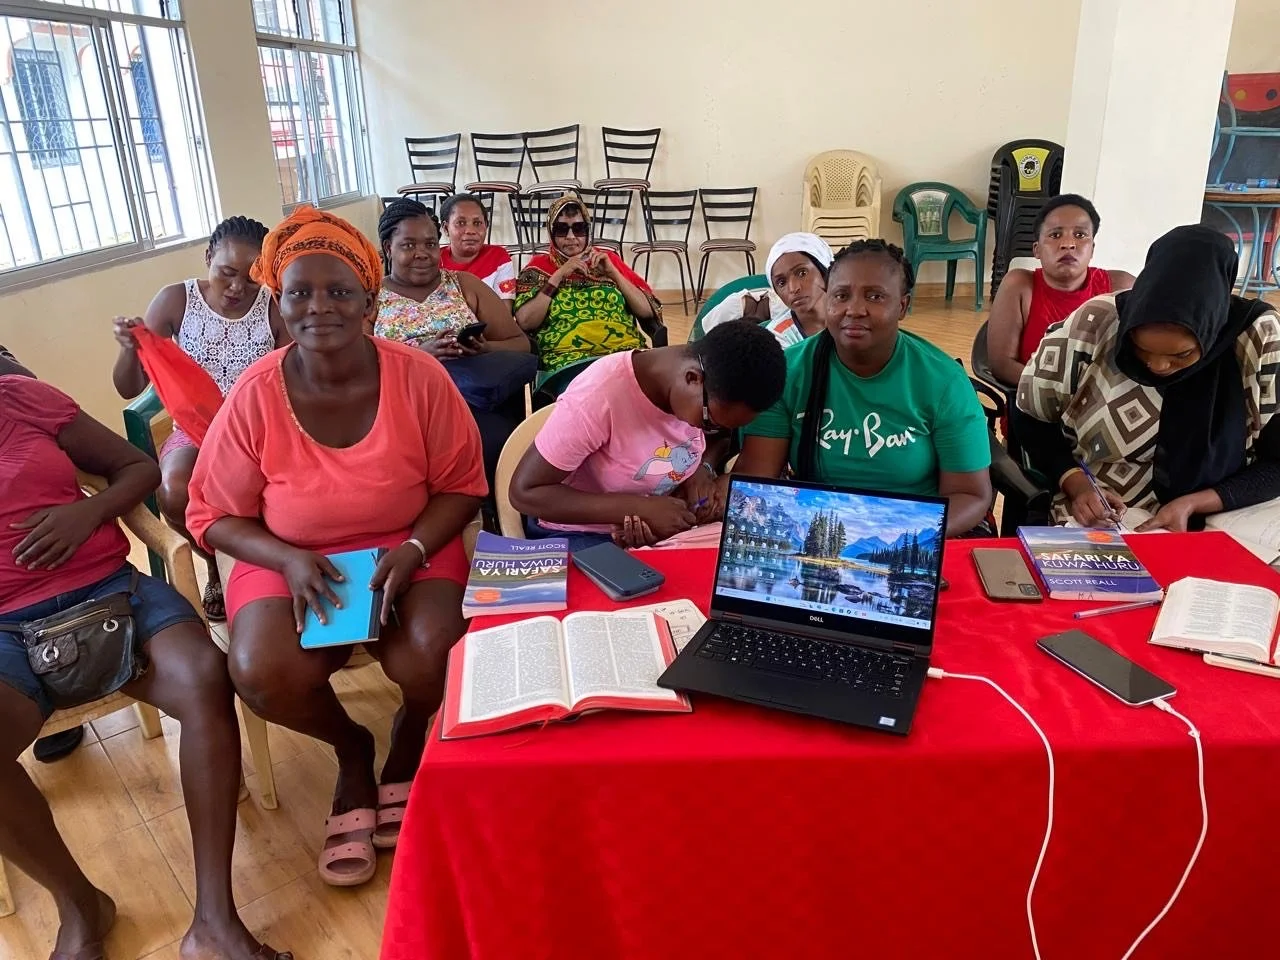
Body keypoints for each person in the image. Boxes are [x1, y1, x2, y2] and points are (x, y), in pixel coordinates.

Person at [186, 206, 487, 889]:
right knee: (262, 671)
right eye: (300, 292)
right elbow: (212, 514)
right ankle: (351, 749)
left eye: (338, 291)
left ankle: (409, 736)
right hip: (291, 556)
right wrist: (288, 559)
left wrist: (413, 549)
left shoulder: (419, 379)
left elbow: (463, 486)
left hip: (408, 545)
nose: (318, 307)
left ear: (368, 302)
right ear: (279, 302)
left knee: (437, 653)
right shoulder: (255, 395)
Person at [0, 376, 291, 960]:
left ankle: (214, 918)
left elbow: (137, 467)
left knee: (205, 676)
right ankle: (80, 905)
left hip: (110, 588)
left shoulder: (18, 397)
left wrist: (88, 516)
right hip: (3, 626)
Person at [1014, 224, 1280, 531]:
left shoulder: (1259, 338)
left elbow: (1276, 463)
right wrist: (1074, 482)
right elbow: (1029, 417)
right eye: (1140, 349)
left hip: (1223, 511)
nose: (1158, 366)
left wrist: (1194, 502)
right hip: (1105, 508)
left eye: (1181, 355)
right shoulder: (1096, 323)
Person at [734, 239, 993, 537]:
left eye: (875, 296)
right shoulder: (788, 372)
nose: (854, 309)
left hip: (918, 534)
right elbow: (757, 480)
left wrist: (901, 540)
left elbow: (970, 495)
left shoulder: (943, 381)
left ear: (903, 306)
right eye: (841, 295)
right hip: (812, 531)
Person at [111, 216, 287, 623]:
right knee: (174, 490)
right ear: (208, 258)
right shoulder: (177, 301)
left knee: (280, 490)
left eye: (252, 277)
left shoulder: (273, 308)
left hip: (257, 430)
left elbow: (290, 375)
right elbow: (128, 386)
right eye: (226, 272)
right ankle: (215, 566)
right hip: (193, 433)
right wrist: (128, 347)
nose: (237, 287)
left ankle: (261, 565)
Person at [510, 320, 787, 552]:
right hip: (577, 534)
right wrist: (639, 508)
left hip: (656, 528)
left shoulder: (704, 396)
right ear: (692, 378)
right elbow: (526, 492)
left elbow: (719, 437)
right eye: (708, 422)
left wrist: (700, 470)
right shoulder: (600, 397)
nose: (707, 431)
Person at [374, 198, 532, 490]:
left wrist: (485, 349)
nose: (422, 254)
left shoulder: (463, 285)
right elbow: (361, 365)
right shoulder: (373, 298)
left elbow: (520, 343)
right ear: (388, 249)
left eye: (430, 244)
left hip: (471, 397)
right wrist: (418, 357)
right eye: (408, 245)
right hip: (403, 403)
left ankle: (492, 518)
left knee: (494, 442)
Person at [986, 194, 1135, 386]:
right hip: (1034, 404)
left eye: (1080, 235)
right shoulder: (1020, 286)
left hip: (1103, 410)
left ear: (1092, 249)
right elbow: (1002, 365)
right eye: (1055, 235)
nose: (1068, 244)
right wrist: (1060, 393)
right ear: (1037, 249)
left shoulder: (1121, 287)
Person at [514, 194, 663, 375]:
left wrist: (613, 274)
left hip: (623, 355)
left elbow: (647, 311)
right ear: (551, 233)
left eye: (579, 229)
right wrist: (558, 275)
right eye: (562, 229)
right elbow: (526, 321)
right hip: (568, 359)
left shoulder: (607, 261)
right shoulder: (539, 267)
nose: (571, 237)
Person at [704, 232, 834, 348]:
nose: (793, 288)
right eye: (781, 282)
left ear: (825, 270)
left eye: (802, 273)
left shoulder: (850, 315)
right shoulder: (778, 339)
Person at [439, 192, 517, 304]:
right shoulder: (434, 261)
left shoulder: (498, 258)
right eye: (461, 223)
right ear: (446, 228)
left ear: (486, 225)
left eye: (477, 223)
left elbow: (505, 313)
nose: (470, 231)